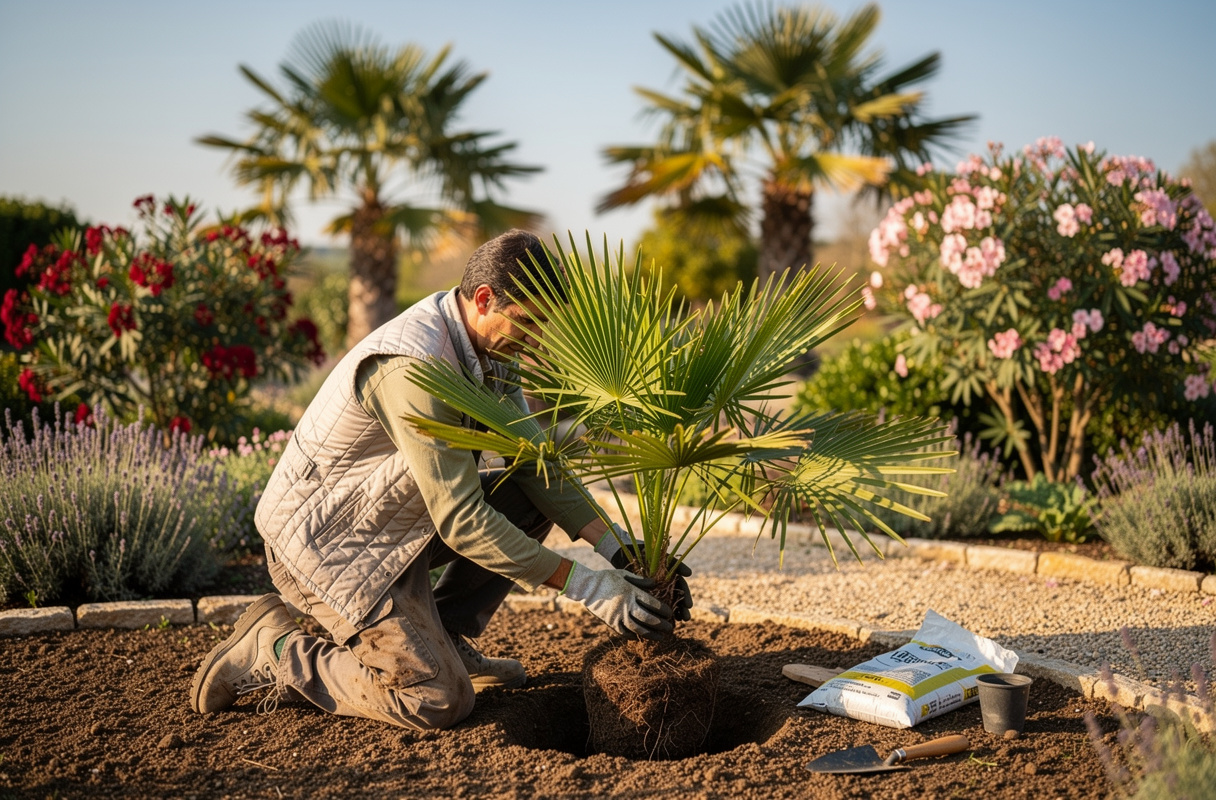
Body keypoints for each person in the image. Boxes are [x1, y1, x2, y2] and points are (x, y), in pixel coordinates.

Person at [190, 229, 692, 730]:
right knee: (437, 699)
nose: (537, 339)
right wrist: (585, 585)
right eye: (529, 322)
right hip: (328, 548)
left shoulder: (490, 350)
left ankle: (444, 638)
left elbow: (534, 464)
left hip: (392, 527)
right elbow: (462, 519)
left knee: (521, 487)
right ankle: (276, 649)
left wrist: (617, 547)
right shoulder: (416, 367)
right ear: (483, 299)